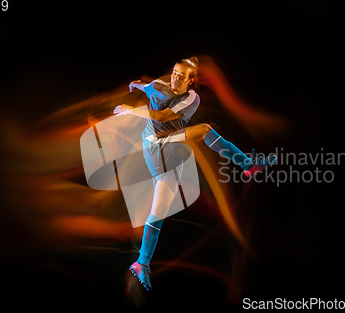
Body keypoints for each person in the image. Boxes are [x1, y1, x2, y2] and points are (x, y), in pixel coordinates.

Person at [113, 57, 276, 290]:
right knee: (204, 130)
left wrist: (131, 110)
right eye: (175, 72)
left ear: (191, 81)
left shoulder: (191, 99)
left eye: (182, 75)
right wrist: (135, 85)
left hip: (166, 146)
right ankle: (247, 164)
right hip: (155, 144)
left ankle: (142, 262)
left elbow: (163, 116)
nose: (175, 77)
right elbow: (145, 85)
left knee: (159, 211)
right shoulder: (160, 85)